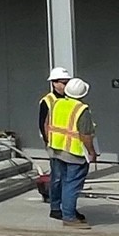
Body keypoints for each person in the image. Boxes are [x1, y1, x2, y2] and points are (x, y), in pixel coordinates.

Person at [46, 77, 97, 226]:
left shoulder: (56, 103)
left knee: (61, 181)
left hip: (56, 149)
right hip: (74, 153)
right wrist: (91, 152)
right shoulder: (81, 109)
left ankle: (60, 208)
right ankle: (69, 216)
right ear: (82, 94)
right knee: (71, 184)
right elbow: (85, 135)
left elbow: (47, 124)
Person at [35, 66, 70, 205]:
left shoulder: (69, 98)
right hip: (54, 143)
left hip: (69, 143)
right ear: (54, 83)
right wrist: (48, 141)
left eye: (67, 82)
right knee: (57, 175)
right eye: (63, 82)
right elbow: (42, 123)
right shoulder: (47, 101)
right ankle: (55, 203)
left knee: (67, 175)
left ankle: (64, 200)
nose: (66, 85)